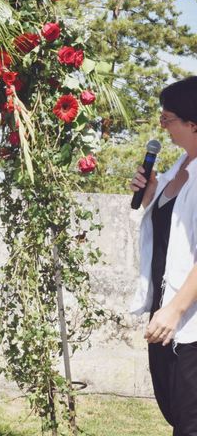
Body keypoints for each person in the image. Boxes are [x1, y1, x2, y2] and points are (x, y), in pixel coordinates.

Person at [130, 76, 197, 435]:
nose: (163, 126)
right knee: (175, 410)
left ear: (193, 122)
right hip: (165, 309)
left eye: (168, 118)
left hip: (187, 318)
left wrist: (175, 310)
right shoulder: (178, 169)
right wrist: (151, 192)